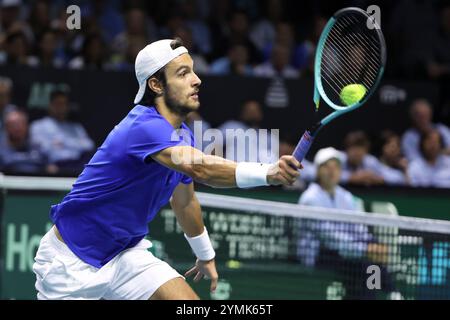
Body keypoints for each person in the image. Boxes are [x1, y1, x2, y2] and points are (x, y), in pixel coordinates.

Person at [32, 38, 301, 300]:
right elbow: (202, 169)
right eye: (183, 73)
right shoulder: (142, 126)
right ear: (156, 84)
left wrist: (205, 253)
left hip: (125, 255)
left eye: (193, 70)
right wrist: (269, 172)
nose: (197, 80)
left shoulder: (184, 136)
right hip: (71, 263)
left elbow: (184, 202)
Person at [297, 147, 396, 299]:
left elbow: (358, 228)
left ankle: (389, 293)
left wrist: (371, 243)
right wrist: (365, 250)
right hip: (318, 255)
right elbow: (330, 237)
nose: (332, 171)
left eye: (336, 167)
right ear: (318, 171)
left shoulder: (346, 197)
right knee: (365, 266)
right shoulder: (310, 199)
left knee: (372, 267)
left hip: (344, 254)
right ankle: (391, 292)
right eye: (326, 166)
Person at [30, 90, 94, 174]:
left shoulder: (75, 127)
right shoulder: (38, 126)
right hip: (54, 166)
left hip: (76, 166)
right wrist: (76, 144)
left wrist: (64, 142)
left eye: (64, 104)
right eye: (58, 104)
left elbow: (89, 145)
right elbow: (42, 149)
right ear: (50, 105)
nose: (61, 108)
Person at [0, 110, 49, 174]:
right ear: (6, 127)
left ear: (26, 126)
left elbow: (49, 168)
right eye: (13, 125)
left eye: (20, 124)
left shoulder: (38, 148)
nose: (17, 128)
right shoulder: (1, 150)